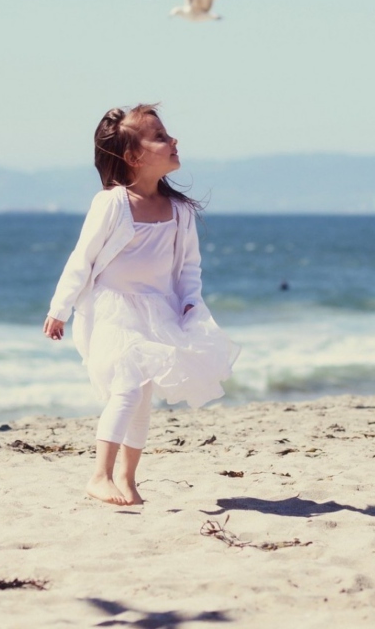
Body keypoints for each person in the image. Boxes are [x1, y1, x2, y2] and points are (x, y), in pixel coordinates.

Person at [43, 104, 240, 506]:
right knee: (127, 388)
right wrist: (59, 308)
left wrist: (189, 304)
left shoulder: (180, 211)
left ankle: (128, 479)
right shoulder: (113, 204)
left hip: (159, 311)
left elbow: (188, 266)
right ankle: (99, 476)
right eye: (161, 136)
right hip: (114, 310)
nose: (173, 141)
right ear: (133, 157)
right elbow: (82, 258)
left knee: (143, 399)